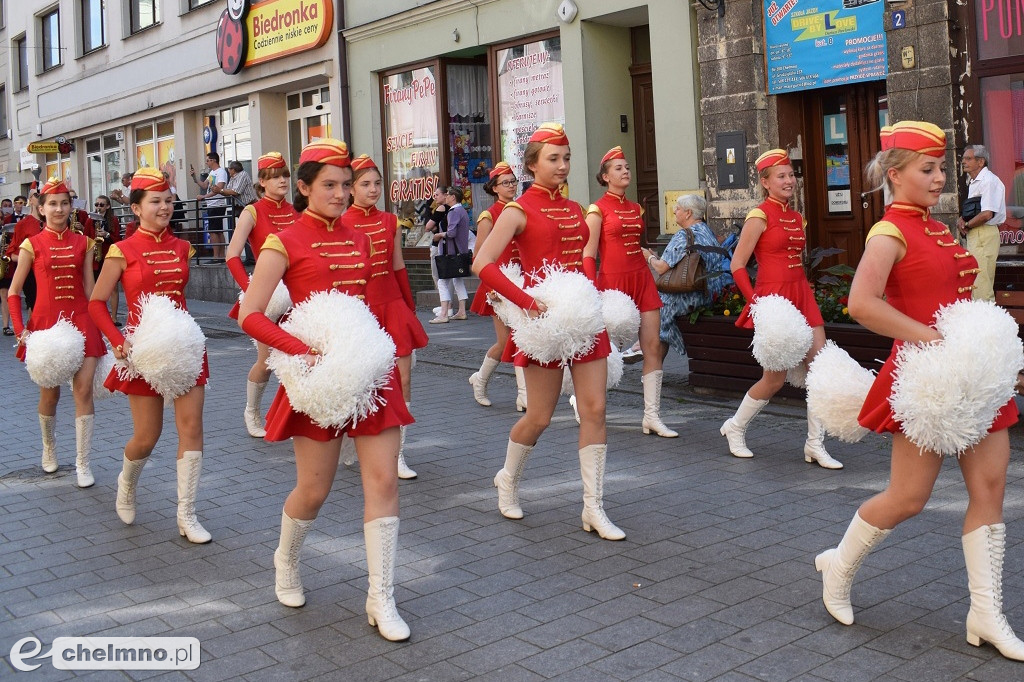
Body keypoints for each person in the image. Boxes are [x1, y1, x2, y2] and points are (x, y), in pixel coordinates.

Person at [816, 120, 1024, 661]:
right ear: (894, 173)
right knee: (909, 498)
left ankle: (985, 613)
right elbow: (862, 303)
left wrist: (989, 348)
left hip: (970, 375)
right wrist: (933, 339)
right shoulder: (890, 231)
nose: (939, 179)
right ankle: (838, 567)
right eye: (927, 170)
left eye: (940, 168)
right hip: (927, 381)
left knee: (992, 489)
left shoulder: (936, 226)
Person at [238, 138, 414, 641]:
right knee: (314, 491)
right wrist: (299, 351)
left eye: (344, 185)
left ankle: (381, 597)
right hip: (317, 379)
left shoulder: (362, 237)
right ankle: (287, 560)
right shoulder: (283, 241)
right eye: (330, 186)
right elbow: (250, 313)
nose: (340, 195)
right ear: (304, 187)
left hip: (367, 374)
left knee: (383, 482)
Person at [472, 122, 625, 541]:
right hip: (543, 323)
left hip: (582, 321)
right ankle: (508, 478)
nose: (562, 166)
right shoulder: (518, 209)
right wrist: (526, 303)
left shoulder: (576, 209)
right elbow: (481, 263)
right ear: (533, 164)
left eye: (567, 158)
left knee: (594, 409)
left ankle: (593, 507)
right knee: (539, 416)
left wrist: (594, 296)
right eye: (553, 159)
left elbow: (584, 259)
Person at [88, 167, 212, 544]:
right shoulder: (121, 251)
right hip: (142, 350)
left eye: (169, 201)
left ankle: (187, 513)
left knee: (191, 428)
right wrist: (115, 340)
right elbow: (96, 303)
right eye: (155, 202)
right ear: (137, 208)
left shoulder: (181, 247)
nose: (164, 207)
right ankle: (127, 482)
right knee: (147, 436)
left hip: (185, 347)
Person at [720, 149, 842, 469]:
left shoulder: (796, 216)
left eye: (791, 175)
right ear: (765, 182)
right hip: (774, 301)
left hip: (801, 294)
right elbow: (737, 265)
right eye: (781, 176)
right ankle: (735, 427)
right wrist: (757, 306)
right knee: (773, 380)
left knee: (819, 368)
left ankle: (815, 444)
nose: (789, 181)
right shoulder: (759, 216)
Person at [6, 178, 105, 488]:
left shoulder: (84, 243)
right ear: (41, 208)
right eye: (53, 203)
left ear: (71, 206)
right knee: (50, 395)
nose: (59, 208)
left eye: (65, 203)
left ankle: (83, 462)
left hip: (82, 319)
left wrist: (106, 329)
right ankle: (49, 447)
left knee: (84, 391)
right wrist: (21, 331)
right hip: (46, 324)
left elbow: (90, 290)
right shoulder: (30, 244)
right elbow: (13, 292)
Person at [342, 155, 428, 480]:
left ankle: (397, 454)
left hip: (392, 304)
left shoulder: (390, 220)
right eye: (365, 184)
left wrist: (409, 306)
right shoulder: (341, 221)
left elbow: (398, 265)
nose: (373, 189)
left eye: (377, 183)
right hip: (361, 309)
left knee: (403, 379)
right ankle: (359, 437)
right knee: (364, 381)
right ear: (350, 189)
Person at [587, 146, 676, 437]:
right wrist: (591, 292)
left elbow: (636, 244)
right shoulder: (597, 209)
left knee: (652, 347)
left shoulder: (635, 207)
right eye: (618, 168)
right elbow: (588, 254)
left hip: (641, 279)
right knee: (603, 351)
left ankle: (652, 416)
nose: (626, 171)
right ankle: (584, 400)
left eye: (627, 167)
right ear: (605, 177)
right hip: (612, 283)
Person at [225, 152, 298, 437]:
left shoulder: (295, 212)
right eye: (275, 176)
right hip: (267, 297)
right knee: (267, 361)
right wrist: (251, 291)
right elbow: (232, 255)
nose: (282, 181)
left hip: (297, 295)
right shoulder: (253, 211)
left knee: (299, 358)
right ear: (261, 182)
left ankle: (293, 417)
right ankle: (251, 411)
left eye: (285, 175)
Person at [644, 194, 733, 360]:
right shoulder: (708, 231)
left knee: (656, 311)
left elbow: (662, 267)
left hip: (692, 295)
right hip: (710, 292)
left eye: (677, 209)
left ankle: (652, 362)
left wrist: (648, 257)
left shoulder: (684, 235)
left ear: (688, 213)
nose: (674, 211)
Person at [467, 162, 526, 408]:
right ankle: (480, 380)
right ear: (494, 188)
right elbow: (479, 256)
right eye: (505, 183)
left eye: (513, 181)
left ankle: (524, 395)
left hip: (520, 282)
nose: (511, 186)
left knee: (522, 338)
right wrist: (490, 286)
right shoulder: (488, 216)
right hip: (498, 285)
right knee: (505, 343)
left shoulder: (521, 210)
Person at [957, 145, 1005, 302]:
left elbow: (986, 214)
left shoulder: (988, 181)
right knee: (977, 280)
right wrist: (962, 219)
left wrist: (968, 225)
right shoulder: (975, 181)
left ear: (981, 162)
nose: (963, 162)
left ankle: (987, 324)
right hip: (978, 232)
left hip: (983, 232)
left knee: (981, 283)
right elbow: (975, 210)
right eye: (963, 158)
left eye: (968, 158)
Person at [431, 187, 471, 323]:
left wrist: (439, 235)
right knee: (457, 280)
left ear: (453, 197)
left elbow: (452, 233)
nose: (446, 197)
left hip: (451, 252)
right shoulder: (462, 211)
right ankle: (461, 311)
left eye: (447, 195)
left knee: (442, 281)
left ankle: (443, 314)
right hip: (460, 251)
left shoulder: (453, 212)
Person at [6, 191, 44, 316]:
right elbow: (12, 254)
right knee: (34, 305)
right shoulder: (22, 224)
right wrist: (31, 258)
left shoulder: (54, 222)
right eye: (37, 195)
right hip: (31, 273)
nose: (41, 198)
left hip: (51, 270)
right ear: (30, 200)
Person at [193, 152, 229, 260]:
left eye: (208, 160)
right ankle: (220, 255)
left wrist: (204, 196)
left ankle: (217, 256)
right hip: (211, 204)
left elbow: (219, 188)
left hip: (217, 204)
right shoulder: (212, 172)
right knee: (216, 230)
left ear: (213, 160)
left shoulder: (221, 172)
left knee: (214, 231)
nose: (206, 162)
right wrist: (194, 177)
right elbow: (204, 185)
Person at [424, 187, 456, 306]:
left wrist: (434, 228)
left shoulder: (442, 208)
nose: (435, 197)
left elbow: (428, 227)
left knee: (438, 275)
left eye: (437, 194)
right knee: (448, 277)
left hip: (439, 245)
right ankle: (448, 305)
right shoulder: (452, 209)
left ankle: (445, 305)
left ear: (445, 195)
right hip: (447, 244)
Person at [93, 195, 122, 324]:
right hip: (95, 257)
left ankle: (114, 317)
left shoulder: (113, 220)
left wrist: (107, 234)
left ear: (108, 206)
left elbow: (117, 240)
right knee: (96, 289)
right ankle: (99, 316)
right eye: (97, 205)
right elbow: (87, 238)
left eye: (101, 205)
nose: (98, 207)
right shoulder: (91, 220)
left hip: (109, 256)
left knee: (113, 288)